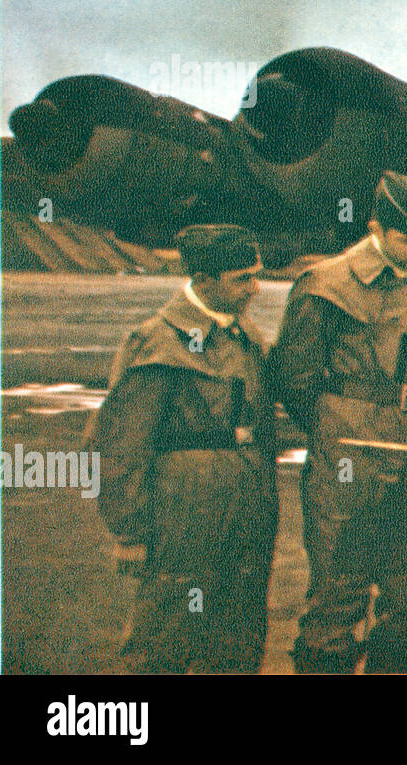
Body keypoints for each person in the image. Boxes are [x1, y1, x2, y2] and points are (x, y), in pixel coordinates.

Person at [272, 171, 407, 673]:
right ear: (375, 227)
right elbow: (294, 377)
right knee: (339, 583)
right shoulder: (325, 284)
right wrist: (339, 426)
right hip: (351, 447)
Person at [92, 224, 277, 673]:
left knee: (237, 642)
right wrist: (130, 533)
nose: (255, 288)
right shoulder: (157, 342)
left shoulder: (245, 338)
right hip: (181, 517)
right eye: (241, 278)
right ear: (204, 279)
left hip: (246, 513)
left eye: (256, 275)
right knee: (165, 639)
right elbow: (120, 448)